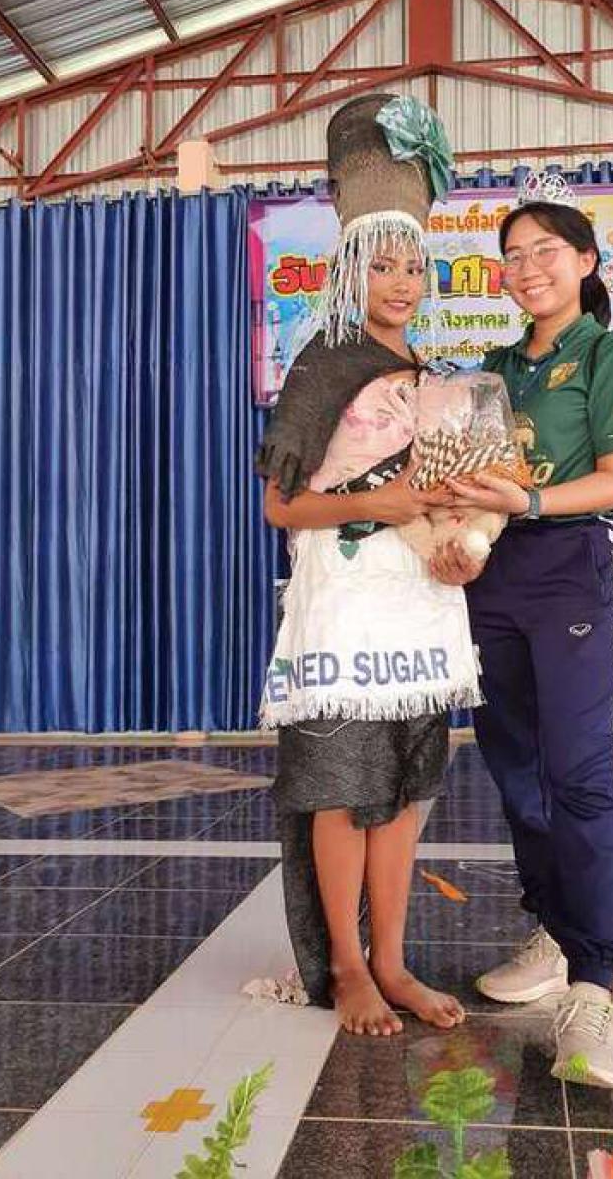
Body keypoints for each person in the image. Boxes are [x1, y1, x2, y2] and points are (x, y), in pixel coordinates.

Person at [257, 94, 478, 1037]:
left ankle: (392, 960)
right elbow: (280, 507)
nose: (402, 282)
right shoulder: (322, 363)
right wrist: (377, 506)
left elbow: (438, 492)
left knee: (408, 792)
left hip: (418, 605)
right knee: (342, 787)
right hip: (344, 606)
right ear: (349, 266)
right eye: (382, 265)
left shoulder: (426, 369)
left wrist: (455, 542)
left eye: (414, 265)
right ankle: (347, 968)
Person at [432, 173, 613, 1091]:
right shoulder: (493, 368)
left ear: (586, 261)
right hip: (495, 573)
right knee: (516, 768)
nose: (528, 268)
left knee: (580, 771)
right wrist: (454, 524)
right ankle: (555, 932)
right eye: (513, 256)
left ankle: (595, 984)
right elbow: (464, 470)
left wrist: (526, 499)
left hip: (575, 560)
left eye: (546, 252)